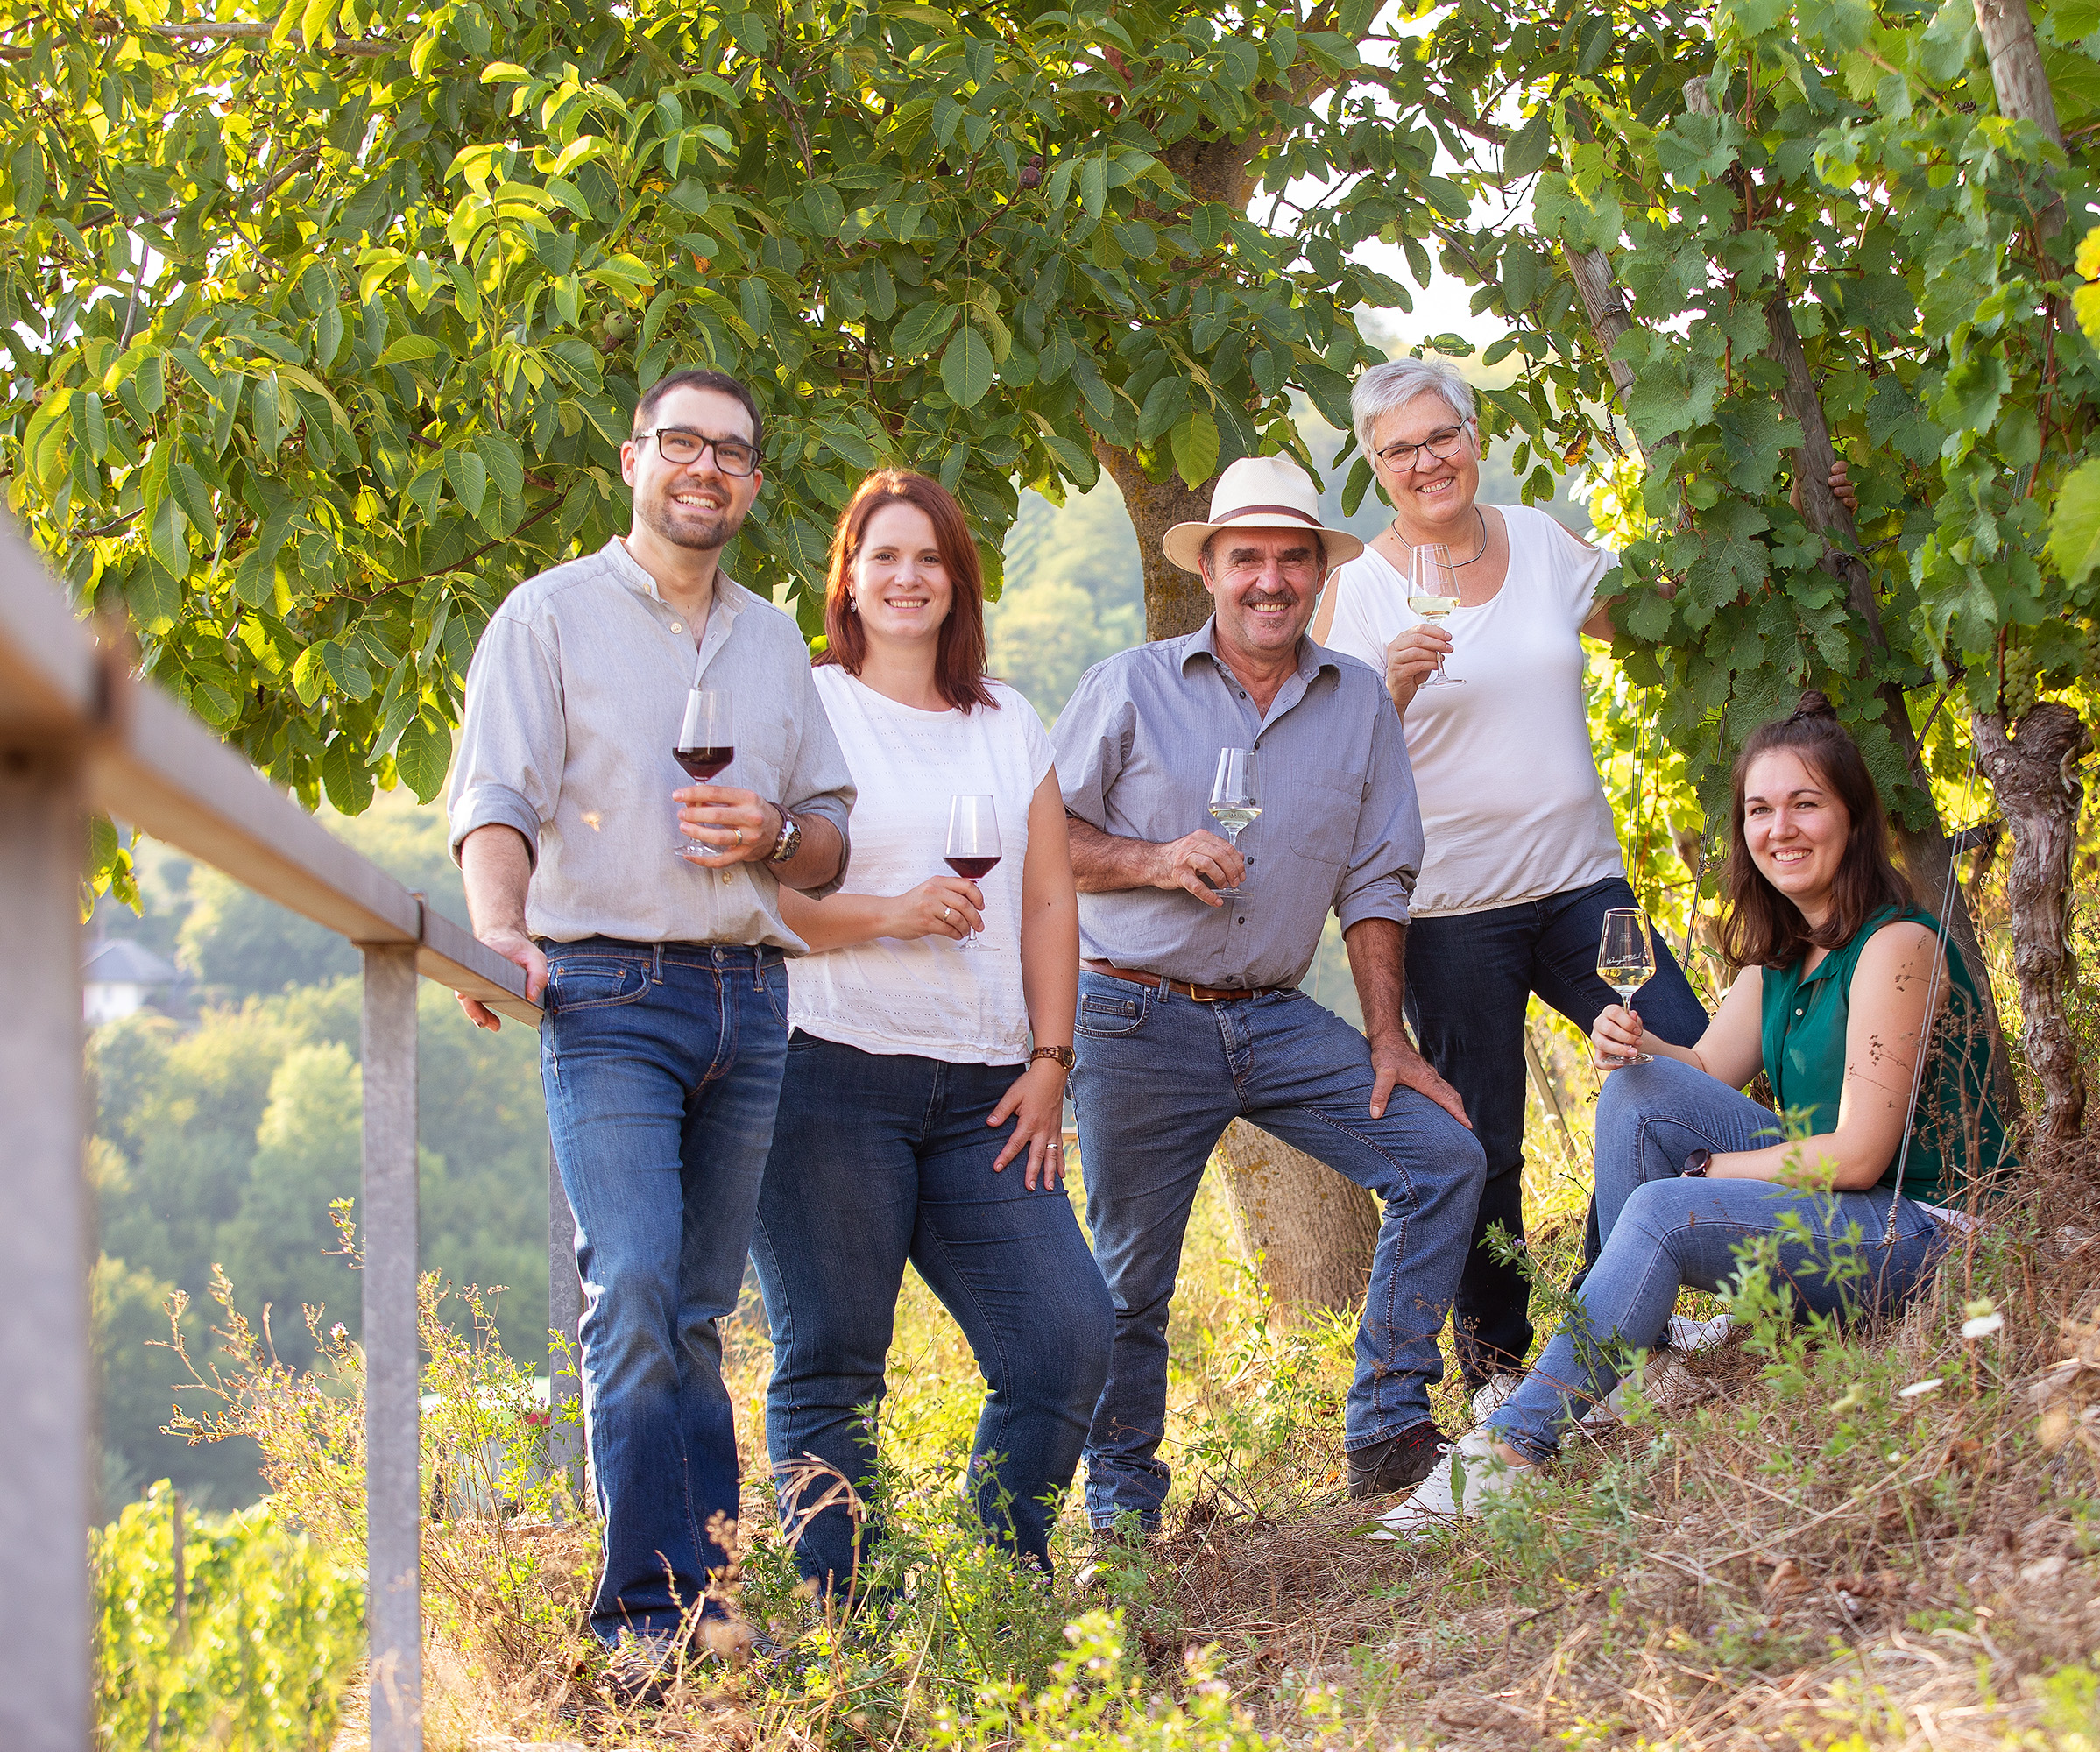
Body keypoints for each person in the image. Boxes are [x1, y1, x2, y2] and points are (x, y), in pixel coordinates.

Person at [1378, 692, 2017, 1533]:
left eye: (1804, 804)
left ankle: (1511, 1450)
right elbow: (1704, 1074)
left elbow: (1861, 1155)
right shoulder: (1786, 955)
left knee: (1662, 1210)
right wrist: (1634, 1042)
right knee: (1636, 1089)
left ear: (1854, 819)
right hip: (1846, 1208)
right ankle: (1629, 1354)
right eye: (1759, 810)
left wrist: (1713, 1170)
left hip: (1929, 1228)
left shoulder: (1896, 946)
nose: (1779, 830)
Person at [447, 368, 855, 1684]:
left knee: (691, 1314)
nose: (704, 467)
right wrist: (497, 928)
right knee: (627, 1286)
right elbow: (495, 799)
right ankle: (638, 1624)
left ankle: (707, 1605)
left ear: (752, 482)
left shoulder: (775, 640)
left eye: (731, 452)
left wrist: (775, 831)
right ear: (632, 458)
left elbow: (828, 839)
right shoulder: (547, 615)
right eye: (681, 442)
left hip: (752, 998)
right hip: (605, 993)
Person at [1054, 453, 1487, 1527]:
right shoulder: (1129, 684)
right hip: (1133, 1013)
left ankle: (1388, 1427)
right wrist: (1155, 858)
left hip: (1272, 1015)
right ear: (1208, 569)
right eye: (1246, 557)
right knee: (1130, 1280)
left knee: (1441, 1156)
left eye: (1294, 559)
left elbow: (1376, 879)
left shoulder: (1358, 703)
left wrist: (1388, 1038)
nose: (1270, 579)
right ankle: (1121, 1517)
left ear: (1316, 574)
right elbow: (1040, 838)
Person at [1312, 356, 1714, 1395]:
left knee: (1683, 1061)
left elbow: (1658, 614)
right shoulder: (1357, 593)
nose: (1425, 461)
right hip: (1450, 912)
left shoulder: (1536, 540)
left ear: (1473, 436)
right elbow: (1324, 763)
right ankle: (1495, 1366)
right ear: (1376, 466)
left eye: (1439, 435)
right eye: (1399, 449)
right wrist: (1388, 690)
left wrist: (1756, 518)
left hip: (1584, 888)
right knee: (1483, 1145)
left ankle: (1608, 1315)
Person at [747, 469, 1112, 1602]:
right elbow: (747, 904)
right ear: (848, 577)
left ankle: (1001, 1590)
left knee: (1063, 1338)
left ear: (959, 580)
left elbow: (1046, 900)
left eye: (930, 558)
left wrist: (1050, 1060)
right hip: (824, 1074)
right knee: (833, 1364)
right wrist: (889, 915)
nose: (907, 578)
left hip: (988, 1091)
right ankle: (847, 1627)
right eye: (885, 556)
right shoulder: (801, 706)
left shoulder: (1007, 721)